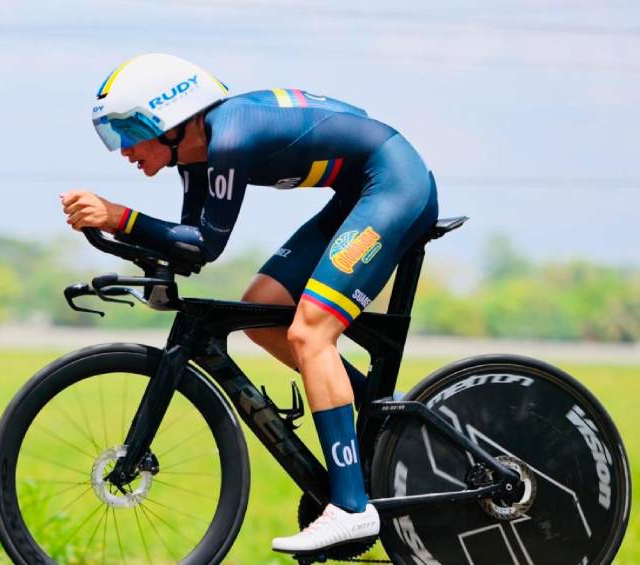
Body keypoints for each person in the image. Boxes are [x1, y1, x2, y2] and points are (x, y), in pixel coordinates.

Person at [61, 53, 438, 555]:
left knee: (310, 333)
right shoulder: (194, 155)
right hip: (358, 191)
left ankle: (350, 508)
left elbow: (203, 244)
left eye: (129, 130)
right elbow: (189, 249)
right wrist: (135, 250)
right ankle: (382, 428)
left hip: (394, 184)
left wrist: (120, 218)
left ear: (170, 121)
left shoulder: (230, 138)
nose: (124, 148)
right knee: (262, 311)